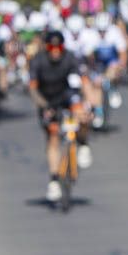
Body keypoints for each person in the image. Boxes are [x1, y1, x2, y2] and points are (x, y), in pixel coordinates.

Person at [28, 30, 93, 202]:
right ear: (46, 47)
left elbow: (84, 81)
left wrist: (90, 102)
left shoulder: (70, 58)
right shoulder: (38, 61)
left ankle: (83, 143)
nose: (55, 51)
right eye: (52, 47)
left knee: (83, 115)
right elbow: (33, 89)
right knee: (53, 136)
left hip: (67, 96)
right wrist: (44, 106)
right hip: (47, 100)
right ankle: (54, 180)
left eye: (59, 47)